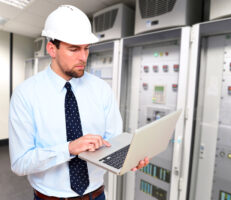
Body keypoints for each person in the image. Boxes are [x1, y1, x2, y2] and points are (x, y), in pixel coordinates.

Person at [9, 5, 149, 200]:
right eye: (74, 49)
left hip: (97, 195)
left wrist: (128, 156)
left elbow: (114, 141)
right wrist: (68, 149)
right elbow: (20, 163)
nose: (83, 57)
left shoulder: (101, 89)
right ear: (52, 49)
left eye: (86, 48)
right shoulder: (26, 94)